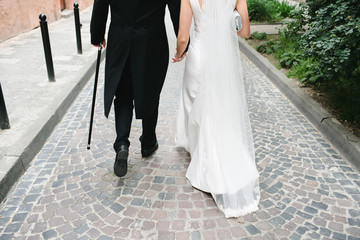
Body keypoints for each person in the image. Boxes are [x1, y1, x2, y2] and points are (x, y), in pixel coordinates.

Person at [172, 0, 260, 218]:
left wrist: (178, 53)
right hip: (222, 61)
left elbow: (183, 37)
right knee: (218, 109)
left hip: (198, 57)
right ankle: (220, 157)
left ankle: (204, 159)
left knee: (195, 105)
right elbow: (245, 31)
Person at [90, 0, 184, 177]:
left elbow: (100, 4)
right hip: (152, 40)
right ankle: (148, 143)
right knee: (150, 89)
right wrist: (182, 39)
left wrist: (97, 34)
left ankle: (122, 143)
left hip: (120, 36)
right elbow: (176, 6)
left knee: (123, 94)